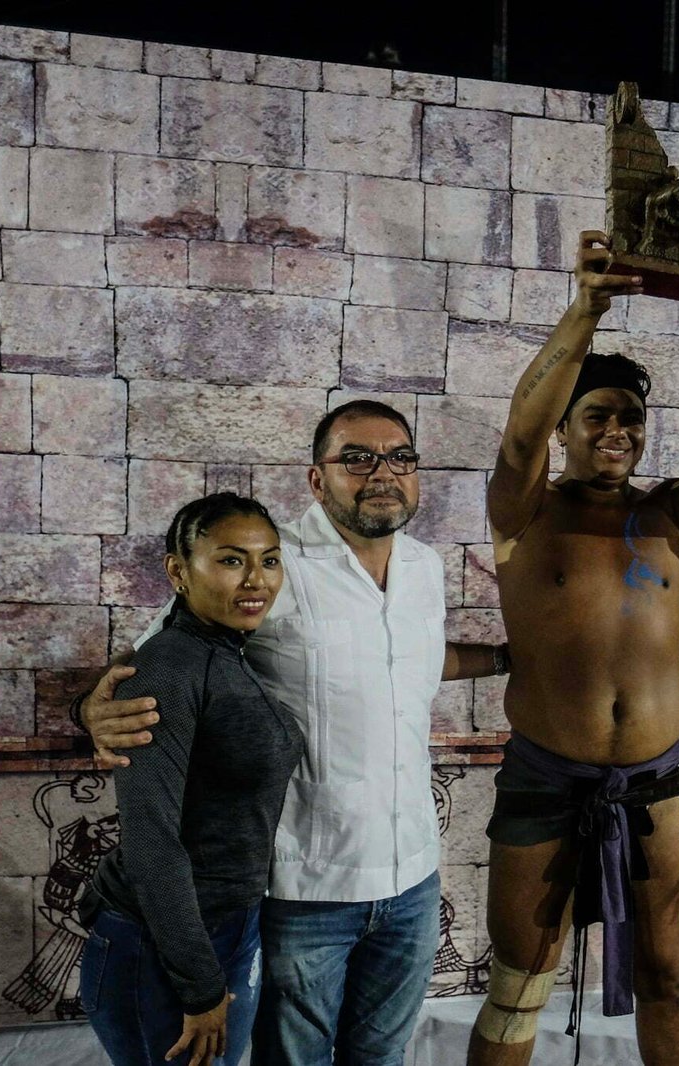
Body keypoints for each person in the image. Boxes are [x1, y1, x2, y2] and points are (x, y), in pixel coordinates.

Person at [79, 400, 507, 1065]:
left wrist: (510, 658)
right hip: (310, 886)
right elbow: (158, 655)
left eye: (399, 457)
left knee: (381, 1058)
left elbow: (417, 658)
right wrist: (91, 709)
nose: (382, 473)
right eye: (357, 458)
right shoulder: (273, 563)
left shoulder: (423, 567)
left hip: (414, 878)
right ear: (317, 479)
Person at [470, 230, 679, 1066]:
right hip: (546, 777)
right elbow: (518, 442)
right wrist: (588, 307)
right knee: (521, 977)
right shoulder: (524, 511)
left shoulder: (667, 514)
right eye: (597, 415)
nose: (617, 429)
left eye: (631, 418)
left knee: (667, 975)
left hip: (655, 781)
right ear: (567, 428)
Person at [81, 493, 301, 1066]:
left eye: (269, 560)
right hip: (163, 946)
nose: (256, 579)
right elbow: (152, 841)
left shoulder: (224, 651)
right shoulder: (170, 668)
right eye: (231, 560)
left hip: (223, 925)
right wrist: (200, 987)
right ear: (179, 571)